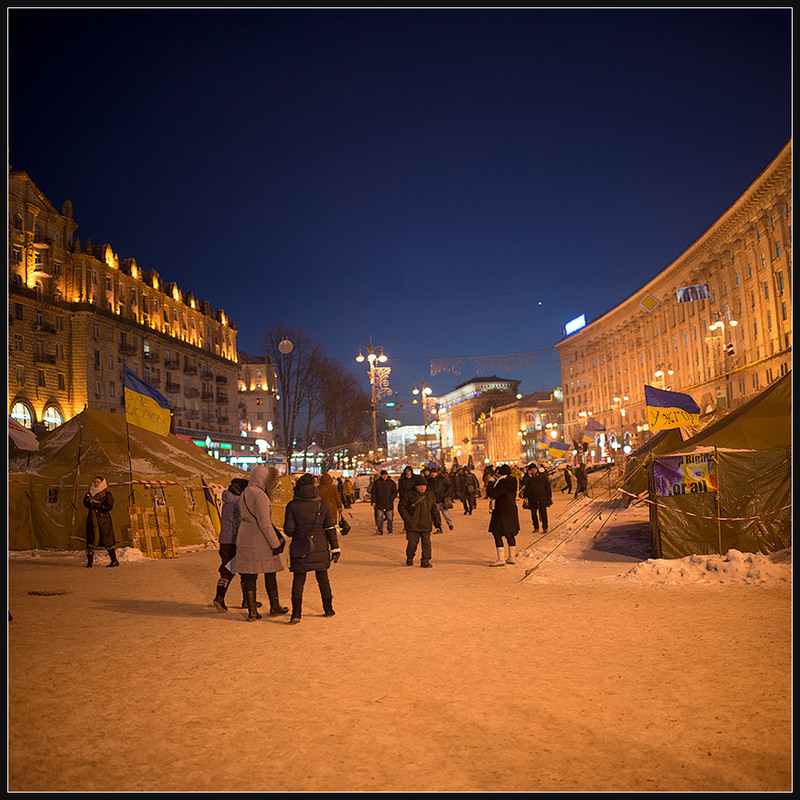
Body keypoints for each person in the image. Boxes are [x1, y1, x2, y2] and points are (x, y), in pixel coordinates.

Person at [284, 473, 341, 623]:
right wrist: (335, 548)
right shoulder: (323, 505)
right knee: (323, 578)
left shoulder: (292, 505)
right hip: (320, 546)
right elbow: (329, 528)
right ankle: (328, 609)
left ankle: (296, 613)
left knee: (298, 580)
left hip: (300, 547)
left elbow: (289, 531)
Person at [236, 465, 288, 621]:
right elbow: (265, 523)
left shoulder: (245, 493)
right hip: (259, 538)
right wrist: (275, 544)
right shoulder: (261, 496)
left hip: (244, 534)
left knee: (249, 573)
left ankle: (252, 611)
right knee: (270, 571)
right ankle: (275, 606)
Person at [212, 477, 255, 611]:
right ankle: (243, 601)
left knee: (227, 569)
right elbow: (242, 522)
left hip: (225, 541)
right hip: (236, 541)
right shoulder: (238, 502)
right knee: (241, 570)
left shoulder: (228, 500)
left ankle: (222, 598)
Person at [398, 474, 441, 568]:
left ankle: (425, 561)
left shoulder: (430, 494)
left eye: (424, 486)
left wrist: (437, 522)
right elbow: (401, 507)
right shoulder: (409, 494)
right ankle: (410, 557)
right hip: (412, 524)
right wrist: (408, 519)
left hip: (426, 523)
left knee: (426, 544)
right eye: (420, 486)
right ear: (416, 486)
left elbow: (434, 509)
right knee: (412, 543)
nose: (422, 488)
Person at [486, 465, 520, 566]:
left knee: (497, 533)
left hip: (501, 511)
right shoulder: (513, 481)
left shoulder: (502, 483)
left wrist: (490, 483)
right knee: (510, 534)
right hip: (511, 510)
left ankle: (501, 559)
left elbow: (493, 493)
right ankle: (511, 557)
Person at [83, 476, 119, 568]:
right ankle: (90, 562)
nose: (96, 484)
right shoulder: (90, 493)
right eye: (95, 482)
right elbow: (87, 505)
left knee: (107, 541)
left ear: (102, 483)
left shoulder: (107, 494)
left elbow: (108, 507)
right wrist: (86, 500)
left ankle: (114, 561)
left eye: (98, 482)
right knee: (91, 540)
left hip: (104, 521)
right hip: (92, 520)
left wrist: (95, 505)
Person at [520, 463, 553, 533]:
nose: (533, 471)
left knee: (543, 513)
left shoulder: (542, 476)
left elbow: (547, 486)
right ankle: (536, 527)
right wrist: (528, 476)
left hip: (542, 497)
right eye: (531, 470)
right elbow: (523, 483)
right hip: (532, 498)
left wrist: (549, 497)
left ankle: (545, 527)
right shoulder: (527, 477)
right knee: (533, 513)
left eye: (534, 469)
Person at [427, 464, 454, 532]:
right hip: (434, 500)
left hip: (442, 499)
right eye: (432, 473)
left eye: (434, 472)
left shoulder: (443, 478)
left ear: (437, 473)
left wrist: (447, 494)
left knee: (445, 513)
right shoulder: (429, 481)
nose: (433, 474)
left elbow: (450, 485)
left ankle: (450, 524)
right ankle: (439, 527)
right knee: (436, 516)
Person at [370, 469, 397, 535]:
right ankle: (380, 530)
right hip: (379, 503)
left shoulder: (391, 482)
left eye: (386, 475)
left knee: (389, 517)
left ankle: (390, 529)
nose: (385, 476)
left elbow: (395, 491)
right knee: (380, 517)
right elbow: (373, 492)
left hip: (389, 502)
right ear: (381, 475)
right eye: (383, 475)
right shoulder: (377, 483)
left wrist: (392, 498)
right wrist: (373, 501)